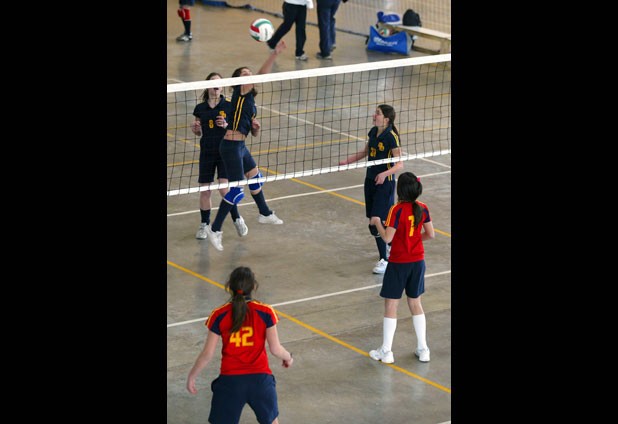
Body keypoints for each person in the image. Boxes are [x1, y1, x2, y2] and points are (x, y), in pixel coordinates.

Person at [204, 41, 287, 252]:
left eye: (249, 72)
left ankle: (265, 213)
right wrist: (275, 54)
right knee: (237, 191)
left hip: (240, 145)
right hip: (231, 146)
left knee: (255, 177)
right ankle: (215, 229)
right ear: (238, 81)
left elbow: (253, 132)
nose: (248, 75)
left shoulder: (250, 103)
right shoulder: (241, 92)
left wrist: (256, 127)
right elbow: (261, 75)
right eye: (244, 73)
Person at [186, 266, 294, 424]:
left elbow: (207, 354)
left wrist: (192, 376)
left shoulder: (219, 315)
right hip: (260, 381)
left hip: (230, 382)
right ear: (254, 286)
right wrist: (288, 357)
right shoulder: (265, 312)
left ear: (229, 287)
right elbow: (276, 349)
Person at [368, 171, 435, 364]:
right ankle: (423, 349)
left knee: (391, 305)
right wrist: (413, 241)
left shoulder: (396, 210)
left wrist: (377, 222)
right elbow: (430, 234)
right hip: (418, 262)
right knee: (415, 303)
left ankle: (386, 351)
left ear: (400, 190)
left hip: (399, 263)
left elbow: (387, 238)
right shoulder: (423, 208)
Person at [339, 104, 403, 274]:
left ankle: (385, 259)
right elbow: (365, 152)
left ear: (386, 119)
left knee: (376, 221)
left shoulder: (391, 137)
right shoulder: (374, 132)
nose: (374, 115)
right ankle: (392, 245)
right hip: (370, 181)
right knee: (374, 222)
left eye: (378, 113)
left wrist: (384, 174)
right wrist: (347, 162)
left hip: (385, 183)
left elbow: (399, 164)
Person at [191, 72, 249, 241]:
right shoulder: (200, 108)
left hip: (225, 151)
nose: (216, 85)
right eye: (213, 82)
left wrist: (225, 125)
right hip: (207, 152)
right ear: (208, 86)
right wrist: (196, 130)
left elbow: (235, 129)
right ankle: (204, 224)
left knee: (224, 189)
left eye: (219, 82)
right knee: (205, 190)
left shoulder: (229, 106)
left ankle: (237, 218)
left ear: (222, 87)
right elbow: (199, 132)